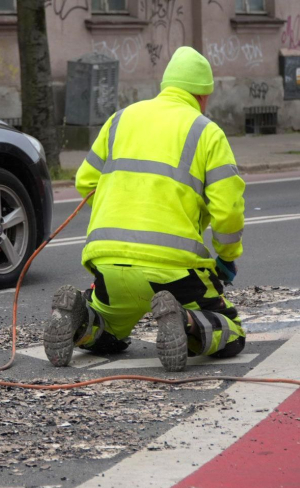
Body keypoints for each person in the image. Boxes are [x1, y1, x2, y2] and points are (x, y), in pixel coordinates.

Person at [44, 46, 246, 372]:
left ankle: (79, 319)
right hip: (174, 270)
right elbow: (228, 210)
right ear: (204, 95)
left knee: (109, 334)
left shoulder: (120, 119)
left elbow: (86, 181)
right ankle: (185, 321)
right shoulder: (206, 131)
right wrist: (226, 256)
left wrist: (123, 209)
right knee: (232, 331)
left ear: (166, 86)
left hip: (110, 264)